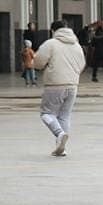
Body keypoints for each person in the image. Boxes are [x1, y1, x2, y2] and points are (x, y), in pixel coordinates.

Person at [33, 20, 87, 156]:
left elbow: (38, 62)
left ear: (53, 30)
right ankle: (62, 147)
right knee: (64, 116)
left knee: (46, 113)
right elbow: (82, 64)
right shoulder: (77, 45)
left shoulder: (51, 43)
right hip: (73, 85)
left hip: (54, 84)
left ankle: (59, 134)